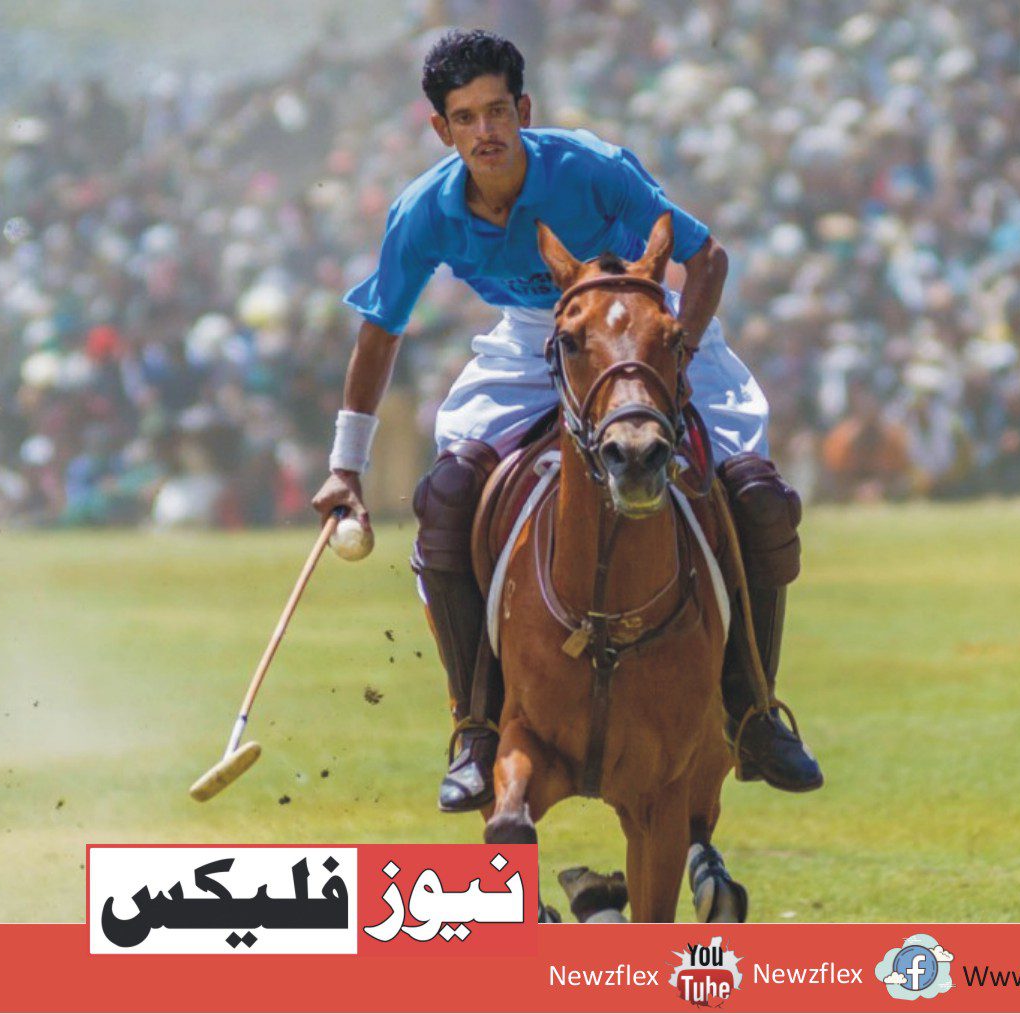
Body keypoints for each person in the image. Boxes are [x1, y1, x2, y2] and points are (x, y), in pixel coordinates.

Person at [309, 30, 822, 813]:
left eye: (495, 111)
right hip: (533, 332)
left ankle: (753, 714)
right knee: (447, 494)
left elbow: (706, 258)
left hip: (647, 327)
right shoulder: (423, 212)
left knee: (753, 491)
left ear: (522, 110)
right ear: (440, 129)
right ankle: (478, 729)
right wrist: (345, 466)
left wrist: (674, 354)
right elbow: (381, 329)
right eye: (463, 117)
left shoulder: (591, 168)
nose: (483, 131)